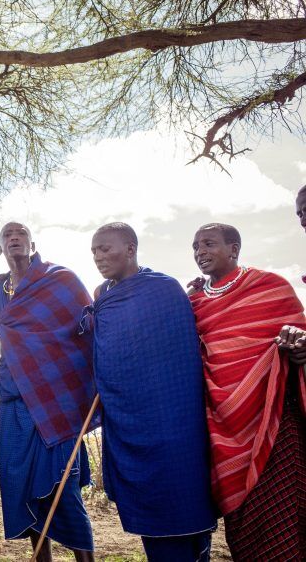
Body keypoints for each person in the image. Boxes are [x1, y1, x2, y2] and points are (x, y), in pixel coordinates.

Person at [84, 222, 216, 561]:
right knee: (151, 511)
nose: (98, 257)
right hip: (129, 421)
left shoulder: (164, 290)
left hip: (175, 418)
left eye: (106, 249)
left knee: (187, 501)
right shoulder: (104, 298)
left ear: (130, 249)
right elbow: (105, 353)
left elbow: (182, 354)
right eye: (94, 251)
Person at [188, 223, 305, 560]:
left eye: (209, 244)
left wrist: (297, 347)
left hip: (273, 418)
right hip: (224, 426)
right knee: (243, 522)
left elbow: (300, 337)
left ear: (234, 249)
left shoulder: (270, 287)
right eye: (195, 247)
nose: (200, 252)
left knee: (283, 508)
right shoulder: (195, 301)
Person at [0, 222, 96, 561]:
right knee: (23, 486)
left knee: (65, 490)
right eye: (7, 235)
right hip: (15, 404)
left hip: (55, 402)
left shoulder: (59, 281)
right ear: (0, 248)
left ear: (33, 243)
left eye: (20, 233)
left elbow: (89, 330)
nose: (14, 238)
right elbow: (15, 346)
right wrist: (1, 377)